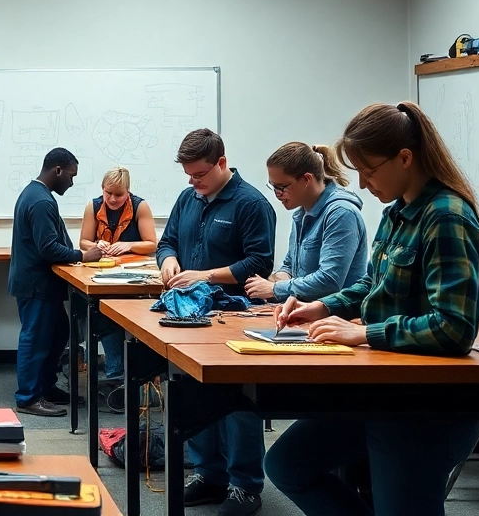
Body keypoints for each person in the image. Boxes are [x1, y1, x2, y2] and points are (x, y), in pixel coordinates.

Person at [266, 102, 479, 516]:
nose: (363, 185)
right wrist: (320, 306)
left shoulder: (446, 217)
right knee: (286, 465)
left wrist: (364, 332)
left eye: (369, 172)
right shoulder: (397, 213)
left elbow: (454, 329)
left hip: (426, 408)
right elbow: (372, 284)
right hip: (381, 392)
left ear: (405, 157)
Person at [157, 129, 275, 516]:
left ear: (222, 163)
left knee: (238, 401)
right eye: (189, 176)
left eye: (200, 175)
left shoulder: (251, 203)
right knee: (194, 394)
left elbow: (259, 264)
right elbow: (167, 240)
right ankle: (210, 475)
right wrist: (169, 261)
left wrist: (204, 275)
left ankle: (244, 485)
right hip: (191, 315)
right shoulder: (188, 197)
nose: (194, 183)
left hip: (236, 316)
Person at [9, 148, 105, 417]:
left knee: (59, 331)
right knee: (36, 338)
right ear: (58, 170)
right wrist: (84, 255)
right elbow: (48, 248)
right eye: (71, 176)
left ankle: (46, 387)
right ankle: (28, 398)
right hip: (36, 284)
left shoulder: (37, 195)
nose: (72, 182)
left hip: (40, 283)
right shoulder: (40, 201)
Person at [244, 143, 368, 304]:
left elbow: (330, 280)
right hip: (308, 313)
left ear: (306, 179)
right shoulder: (301, 214)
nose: (277, 195)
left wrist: (274, 289)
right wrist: (280, 277)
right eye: (273, 187)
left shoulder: (341, 213)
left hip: (339, 319)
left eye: (281, 187)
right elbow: (290, 265)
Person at [79, 166, 158, 405]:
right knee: (103, 318)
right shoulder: (93, 206)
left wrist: (128, 245)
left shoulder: (140, 206)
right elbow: (83, 240)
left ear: (128, 192)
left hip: (135, 277)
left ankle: (140, 379)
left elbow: (152, 244)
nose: (113, 199)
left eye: (119, 194)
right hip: (102, 276)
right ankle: (116, 377)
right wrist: (98, 245)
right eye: (108, 193)